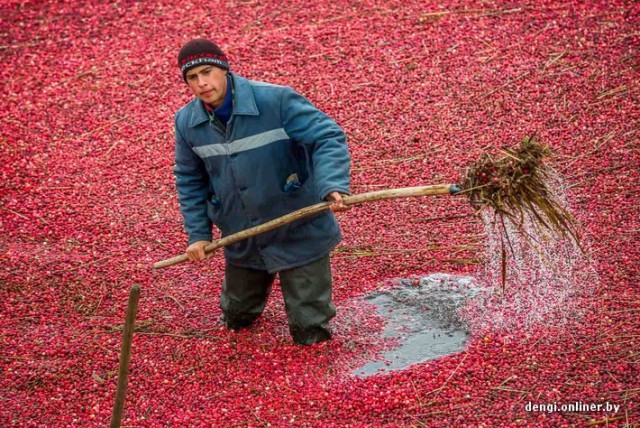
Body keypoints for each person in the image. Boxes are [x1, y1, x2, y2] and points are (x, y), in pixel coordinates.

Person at [173, 38, 351, 345]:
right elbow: (190, 179)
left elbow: (327, 138)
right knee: (236, 315)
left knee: (310, 329)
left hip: (298, 228)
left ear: (224, 70)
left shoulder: (277, 101)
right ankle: (242, 313)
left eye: (207, 72)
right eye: (192, 77)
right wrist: (198, 234)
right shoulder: (188, 122)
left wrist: (331, 186)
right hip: (242, 234)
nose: (202, 83)